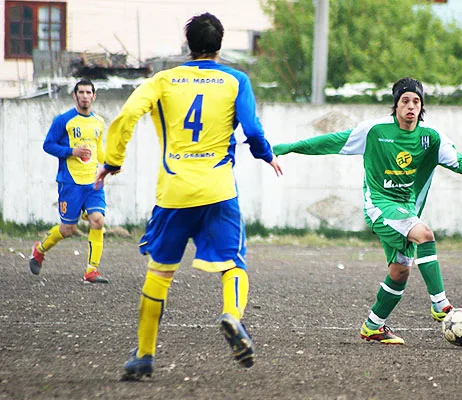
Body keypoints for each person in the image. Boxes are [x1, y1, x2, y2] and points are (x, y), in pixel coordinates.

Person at [95, 12, 283, 379]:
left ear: (188, 43)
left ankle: (144, 355)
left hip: (174, 191)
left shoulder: (162, 80)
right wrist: (266, 154)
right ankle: (231, 314)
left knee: (160, 273)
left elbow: (129, 113)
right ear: (220, 45)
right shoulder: (235, 79)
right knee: (233, 264)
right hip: (218, 188)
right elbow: (252, 127)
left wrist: (113, 160)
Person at [273, 77, 462, 345]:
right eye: (405, 100)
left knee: (400, 271)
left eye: (416, 102)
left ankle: (373, 326)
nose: (411, 106)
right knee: (425, 235)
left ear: (422, 108)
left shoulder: (431, 138)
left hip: (406, 210)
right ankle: (439, 304)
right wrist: (289, 147)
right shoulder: (373, 131)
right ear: (395, 105)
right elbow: (330, 141)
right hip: (380, 205)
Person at [30, 78, 110, 284]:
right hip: (70, 182)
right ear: (75, 96)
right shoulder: (63, 120)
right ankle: (39, 250)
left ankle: (92, 271)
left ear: (94, 96)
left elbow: (98, 150)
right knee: (68, 229)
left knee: (98, 221)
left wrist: (109, 165)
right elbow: (48, 145)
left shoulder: (99, 122)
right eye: (81, 92)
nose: (85, 96)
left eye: (88, 92)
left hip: (93, 183)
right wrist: (71, 151)